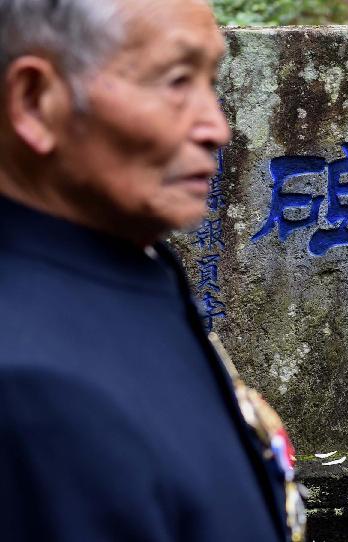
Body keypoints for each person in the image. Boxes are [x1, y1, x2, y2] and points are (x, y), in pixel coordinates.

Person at [0, 1, 303, 540]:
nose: (217, 127)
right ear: (35, 101)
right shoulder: (31, 388)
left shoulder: (128, 264)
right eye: (176, 80)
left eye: (212, 81)